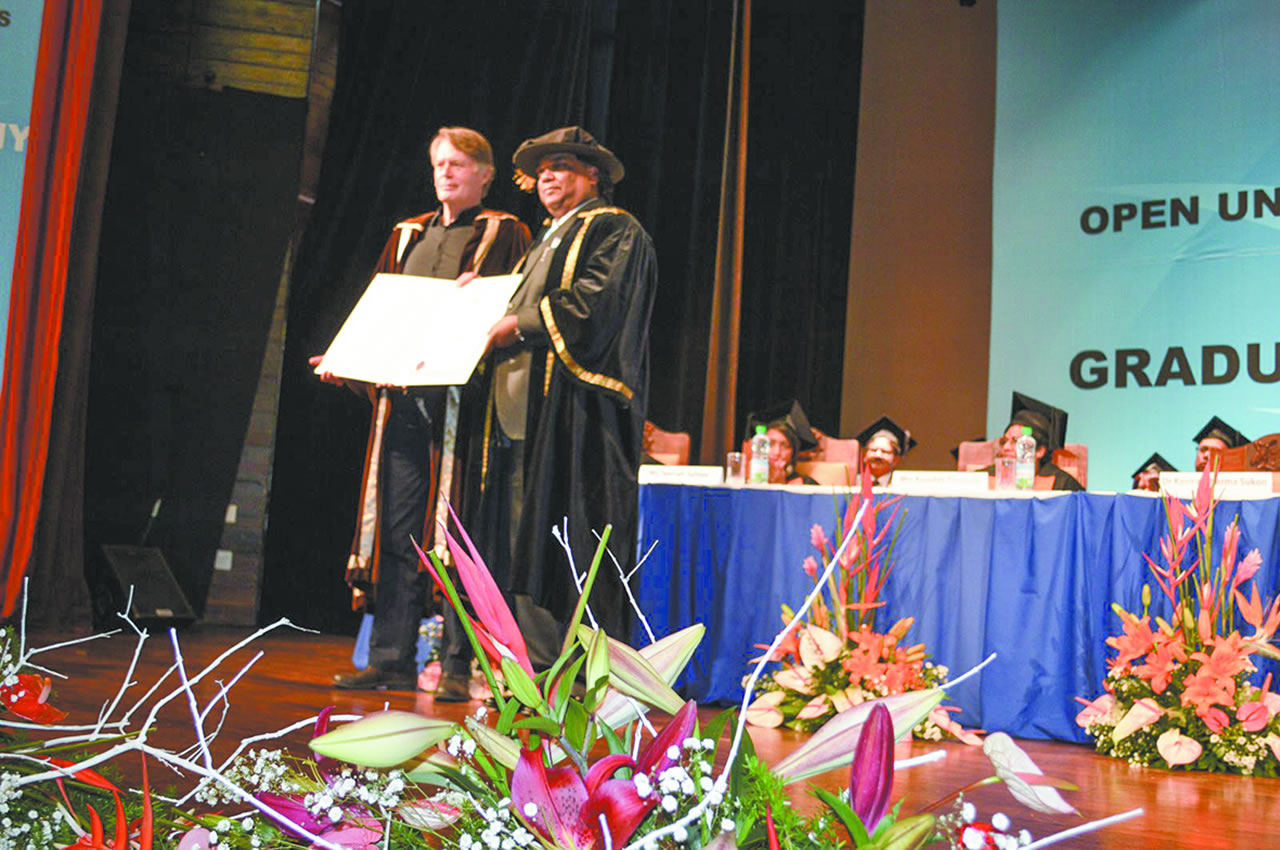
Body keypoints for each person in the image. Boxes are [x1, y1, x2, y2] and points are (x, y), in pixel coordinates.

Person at [329, 127, 530, 694]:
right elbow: (381, 306)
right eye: (441, 163)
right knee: (397, 528)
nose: (447, 172)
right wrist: (346, 356)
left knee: (457, 534)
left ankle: (458, 664)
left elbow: (508, 304)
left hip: (460, 409)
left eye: (460, 165)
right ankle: (392, 657)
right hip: (402, 402)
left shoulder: (504, 231)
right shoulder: (407, 233)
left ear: (485, 175)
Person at [481, 126, 657, 664]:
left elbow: (595, 305)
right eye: (542, 169)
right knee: (523, 538)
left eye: (562, 166)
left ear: (593, 175)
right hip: (522, 420)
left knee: (572, 537)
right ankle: (535, 666)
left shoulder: (612, 228)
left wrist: (519, 324)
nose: (547, 176)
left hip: (574, 418)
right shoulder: (543, 240)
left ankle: (583, 672)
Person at [985, 392, 1084, 491]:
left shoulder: (1063, 485)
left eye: (1016, 441)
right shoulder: (985, 477)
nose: (1006, 447)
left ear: (1039, 451)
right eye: (1004, 441)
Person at [745, 400, 820, 485]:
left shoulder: (806, 486)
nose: (777, 452)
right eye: (770, 444)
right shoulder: (745, 481)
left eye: (785, 446)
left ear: (793, 452)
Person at [855, 415, 917, 486]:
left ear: (896, 459)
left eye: (885, 452)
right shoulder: (851, 483)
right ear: (864, 454)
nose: (878, 455)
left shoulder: (903, 486)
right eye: (873, 450)